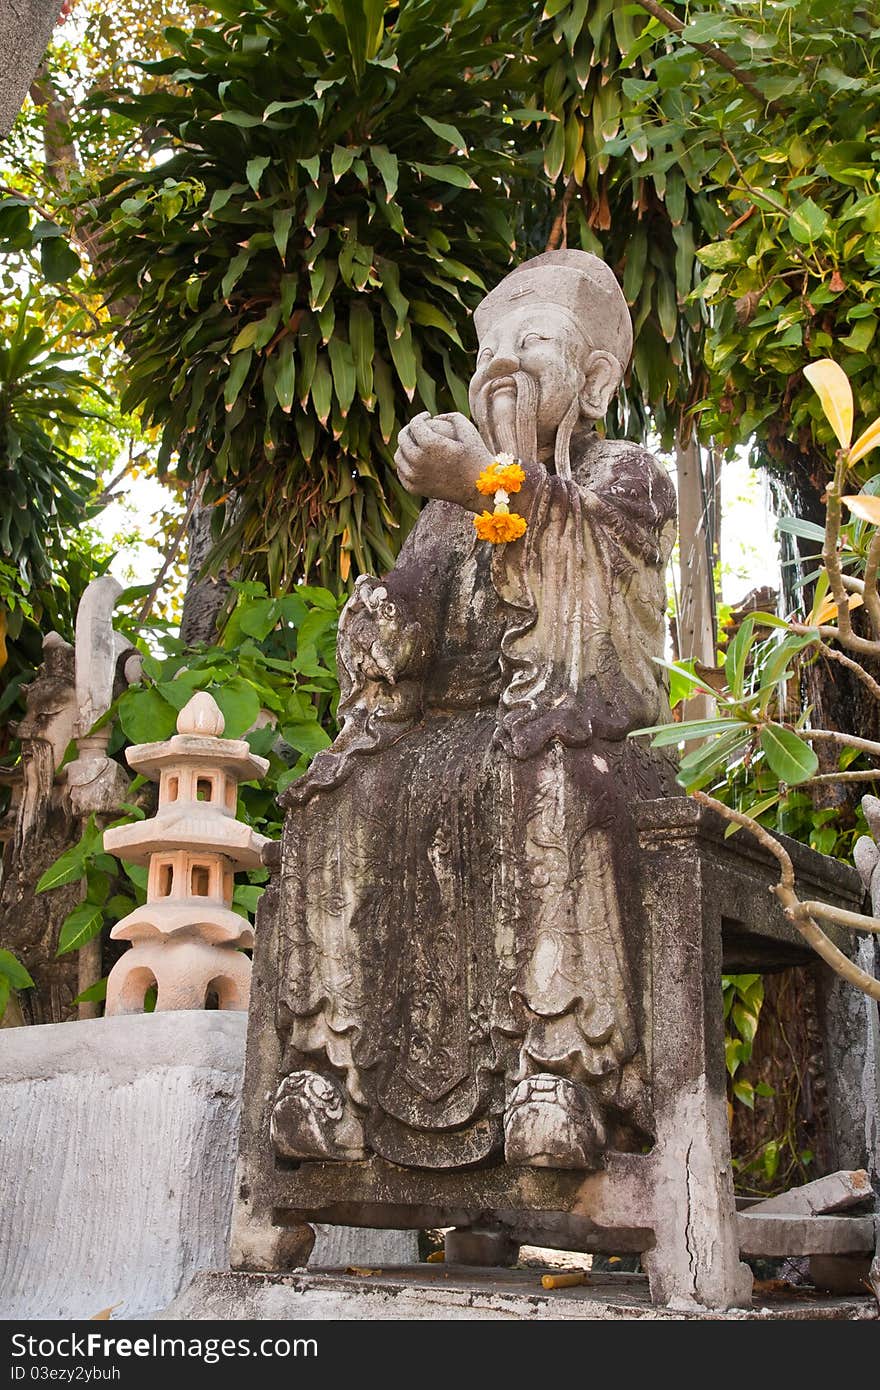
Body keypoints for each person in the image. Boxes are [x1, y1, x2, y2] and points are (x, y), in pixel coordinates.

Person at [269, 250, 677, 1172]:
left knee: (552, 787)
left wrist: (491, 484)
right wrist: (384, 618)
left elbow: (589, 556)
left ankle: (559, 1070)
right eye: (489, 345)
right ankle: (333, 1071)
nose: (504, 361)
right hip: (444, 736)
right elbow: (412, 625)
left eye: (533, 341)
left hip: (578, 724)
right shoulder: (450, 511)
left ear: (598, 378)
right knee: (337, 792)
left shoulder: (627, 474)